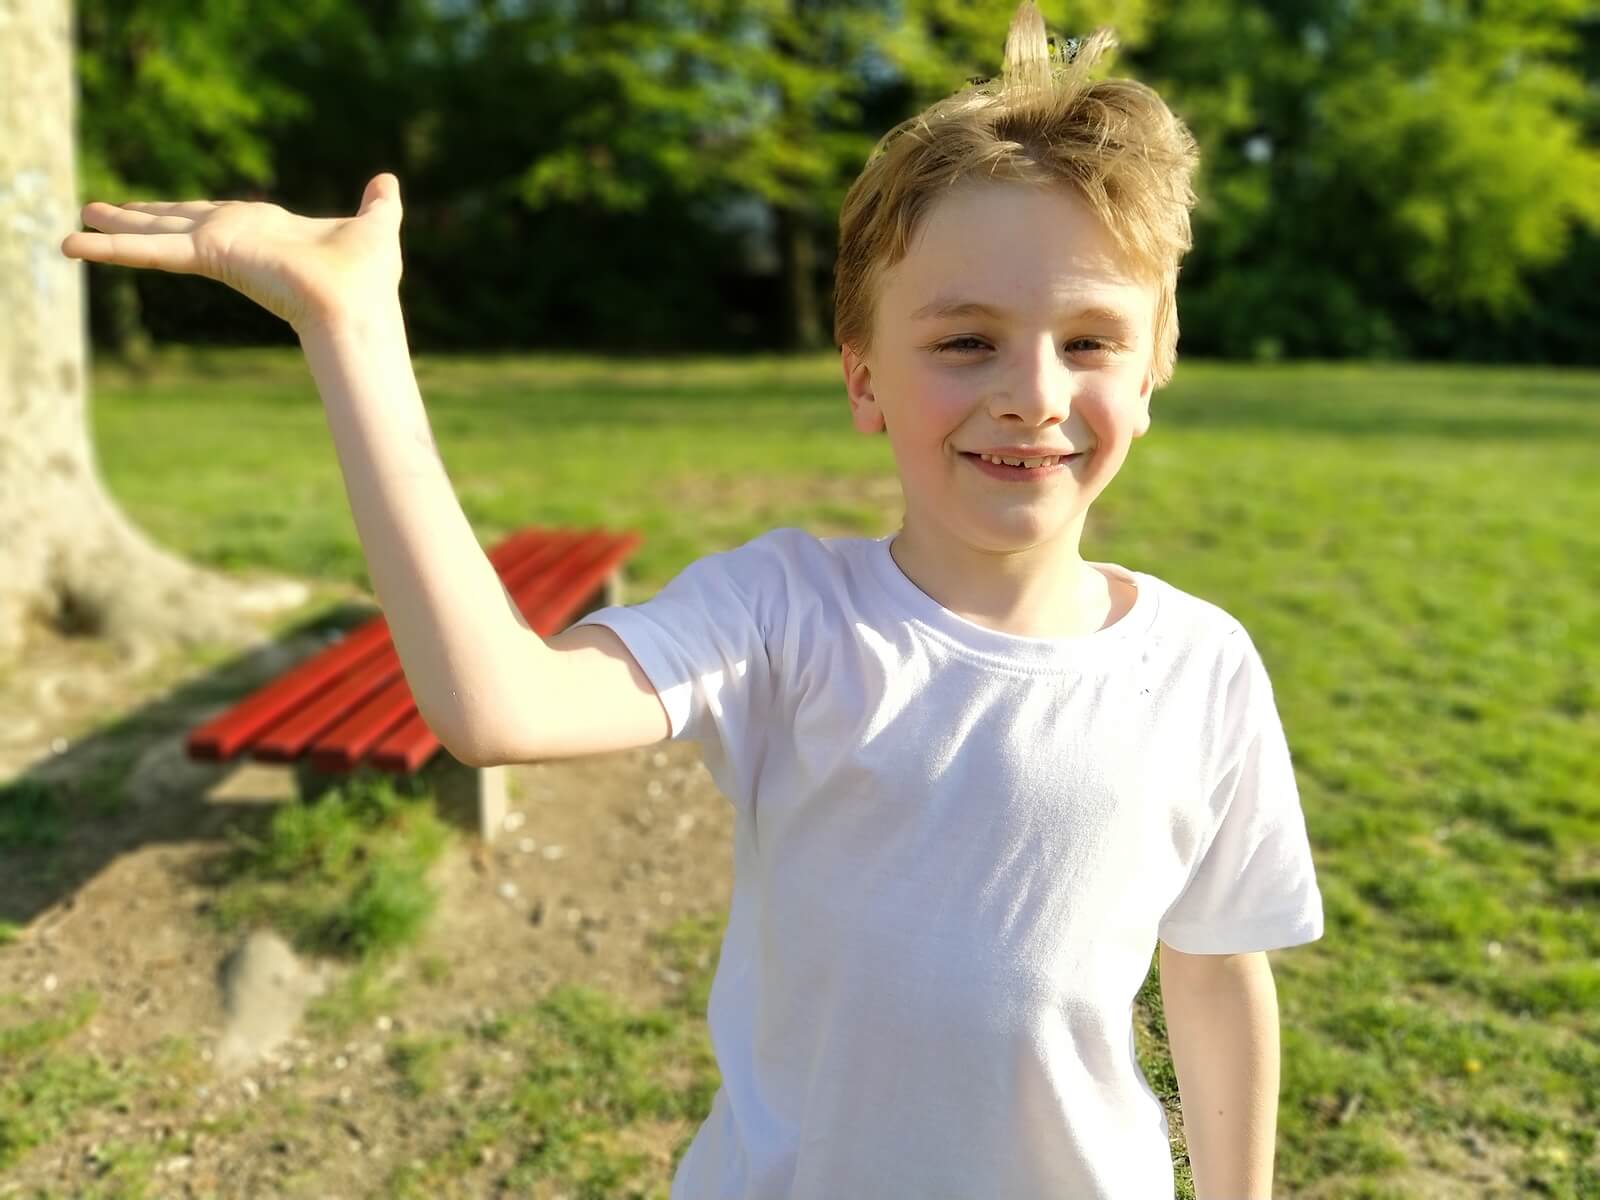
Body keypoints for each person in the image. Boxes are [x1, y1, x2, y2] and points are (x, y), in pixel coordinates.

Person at [61, 2, 1323, 1195]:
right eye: (963, 340)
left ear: (1153, 371)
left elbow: (1214, 978)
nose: (1034, 391)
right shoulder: (786, 613)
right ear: (864, 376)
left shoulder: (1202, 668)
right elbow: (498, 706)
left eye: (1089, 341)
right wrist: (354, 332)